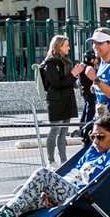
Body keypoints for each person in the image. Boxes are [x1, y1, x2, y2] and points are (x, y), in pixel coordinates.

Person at [39, 35, 78, 163]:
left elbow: (66, 80)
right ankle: (51, 161)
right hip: (56, 101)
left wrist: (75, 74)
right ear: (59, 46)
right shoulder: (51, 63)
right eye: (66, 45)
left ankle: (63, 160)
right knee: (55, 130)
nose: (69, 48)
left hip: (66, 99)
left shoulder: (65, 61)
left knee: (64, 132)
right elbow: (56, 83)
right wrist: (73, 74)